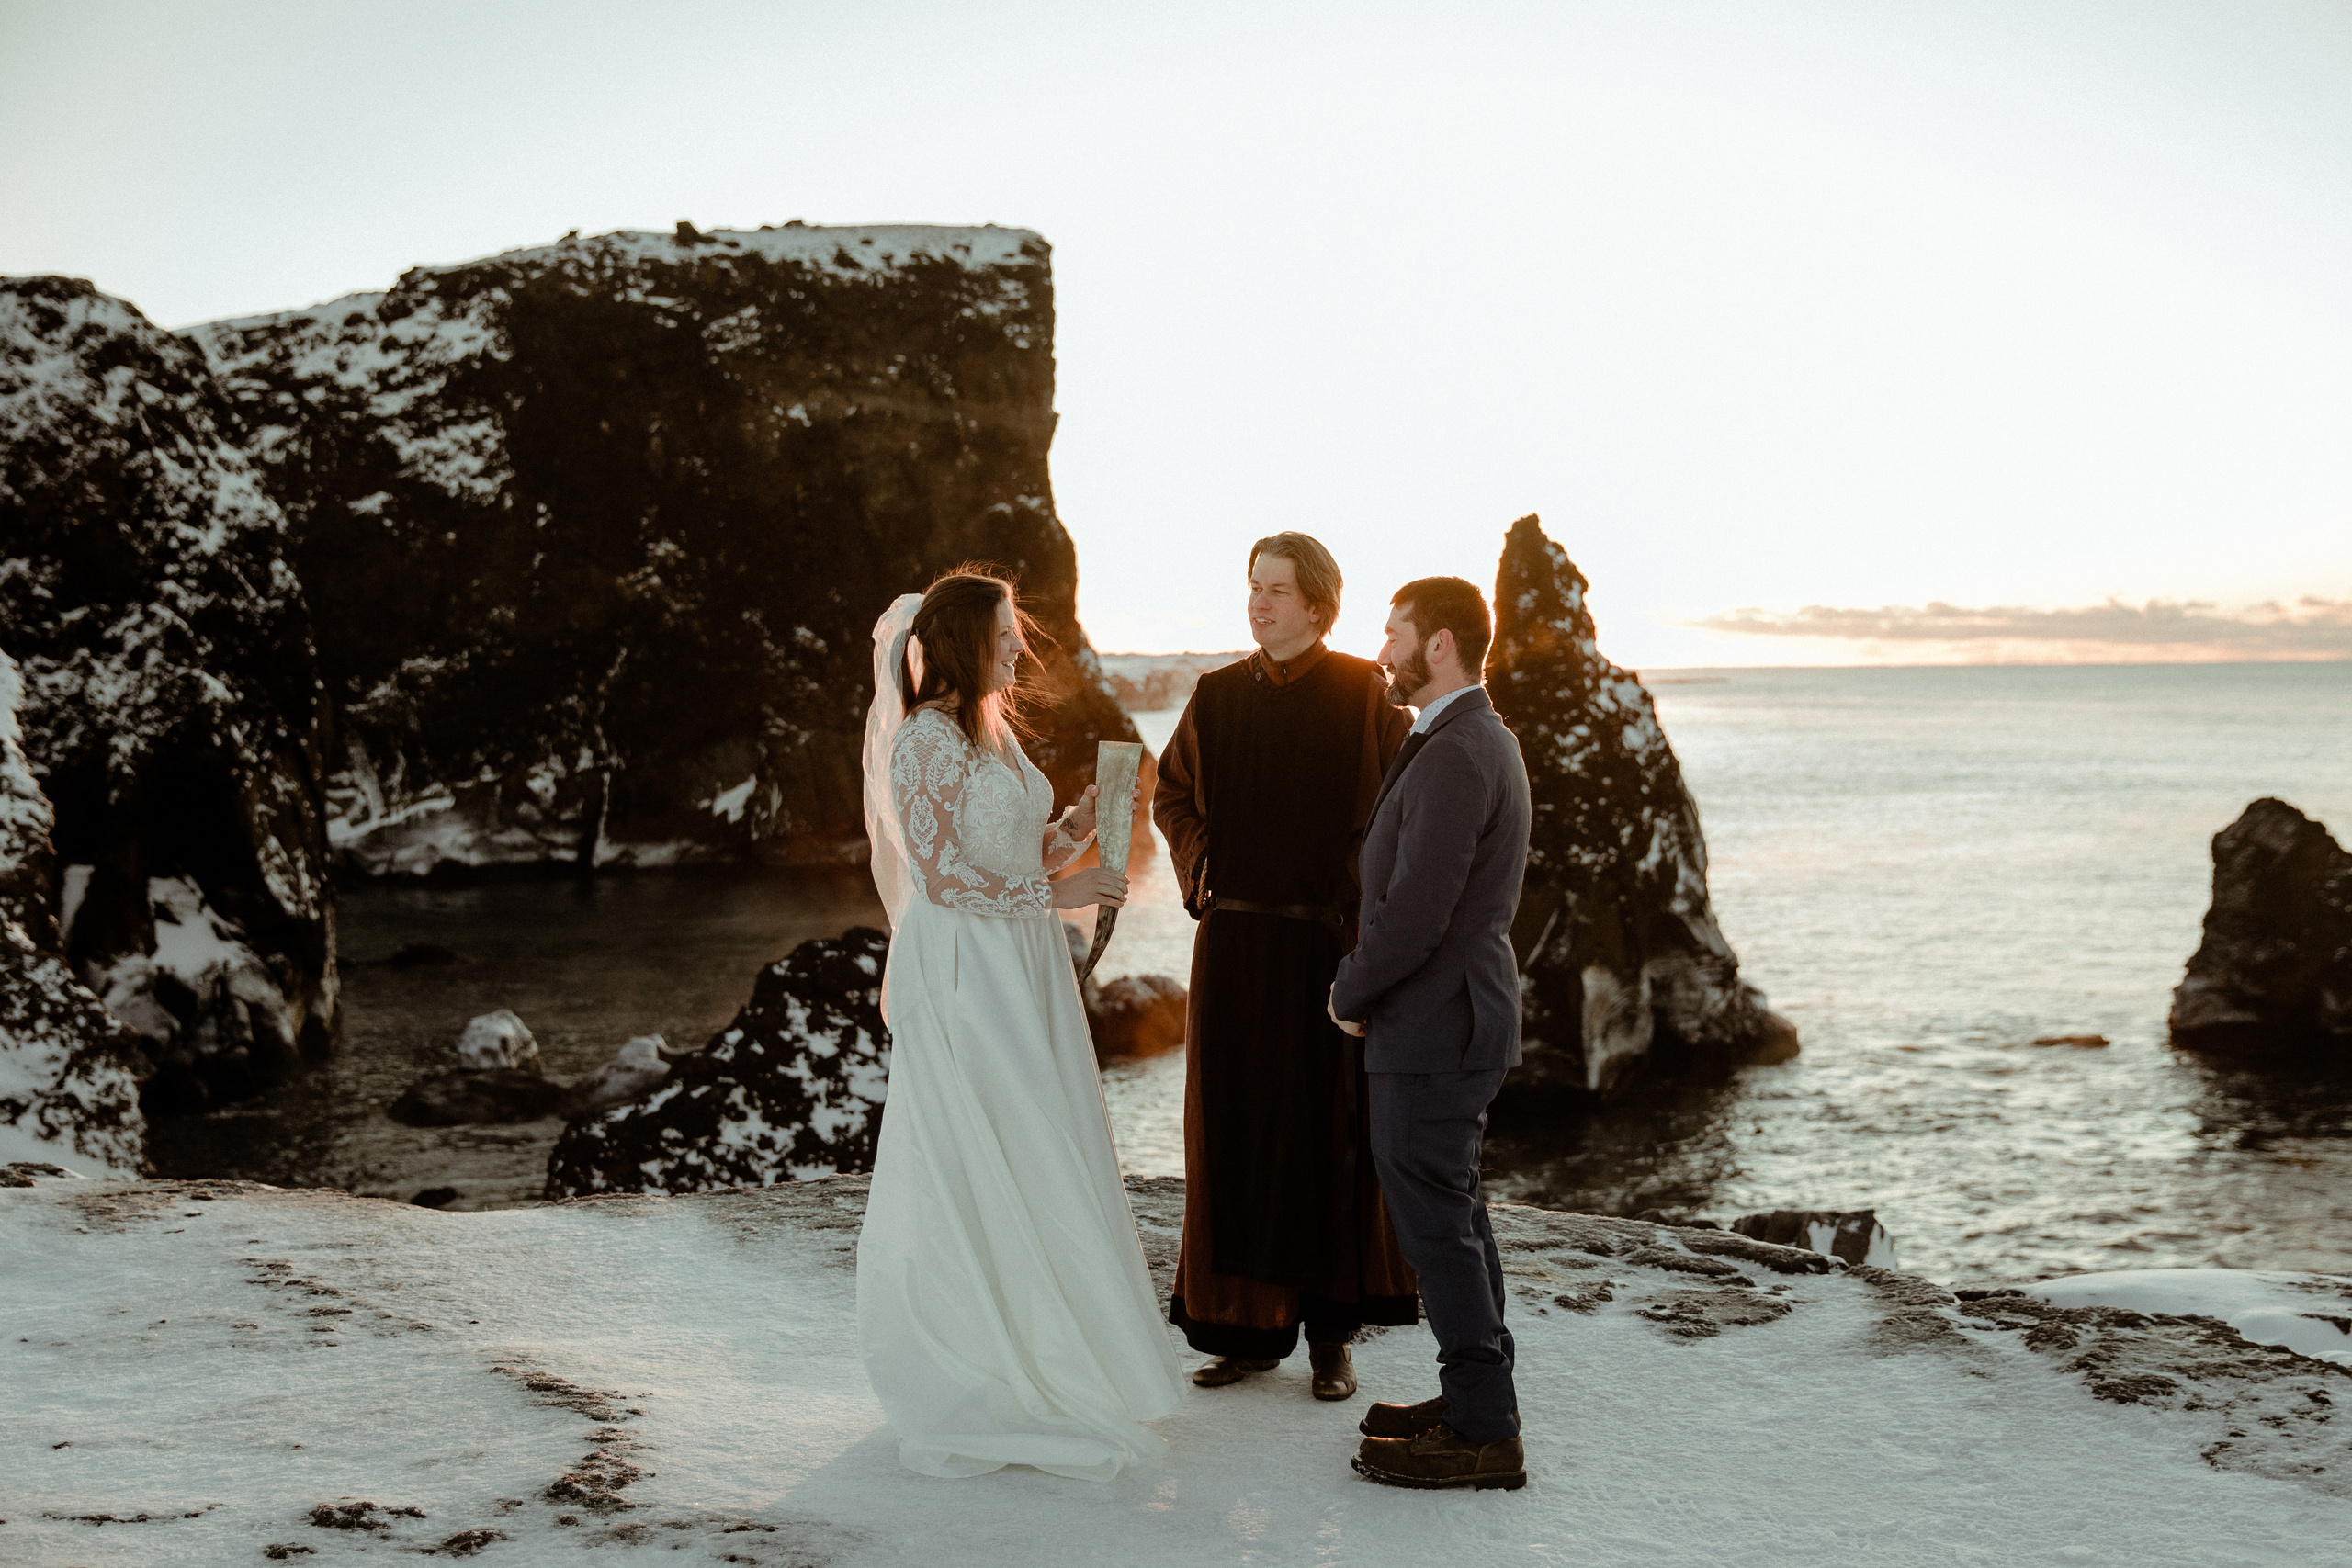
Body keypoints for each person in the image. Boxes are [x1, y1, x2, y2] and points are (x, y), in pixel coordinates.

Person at [854, 567, 1185, 1481]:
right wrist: (1060, 890)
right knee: (988, 1149)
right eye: (1004, 633)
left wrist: (1077, 828)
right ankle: (991, 1363)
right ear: (963, 640)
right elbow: (940, 880)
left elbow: (1000, 851)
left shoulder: (990, 733)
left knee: (1042, 1146)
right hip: (966, 972)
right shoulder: (923, 741)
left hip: (1020, 962)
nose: (1018, 647)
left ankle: (1058, 1350)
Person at [1152, 532, 1419, 1401]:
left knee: (1326, 1138)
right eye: (1254, 587)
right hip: (1231, 948)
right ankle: (1242, 1331)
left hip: (1322, 950)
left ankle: (1330, 1339)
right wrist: (1203, 872)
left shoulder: (1363, 695)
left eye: (1277, 589)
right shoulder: (1216, 696)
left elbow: (1392, 819)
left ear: (1317, 604)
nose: (1260, 603)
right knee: (1234, 1135)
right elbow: (1173, 793)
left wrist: (1363, 921)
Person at [1329, 575, 1533, 1493]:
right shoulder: (1468, 736)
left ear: (1440, 644)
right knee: (1455, 1207)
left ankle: (1485, 1430)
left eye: (1394, 632)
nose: (1382, 649)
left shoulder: (1456, 751)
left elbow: (1417, 909)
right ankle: (1475, 1402)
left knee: (1437, 1223)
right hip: (1457, 1014)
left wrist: (1349, 987)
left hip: (1434, 1019)